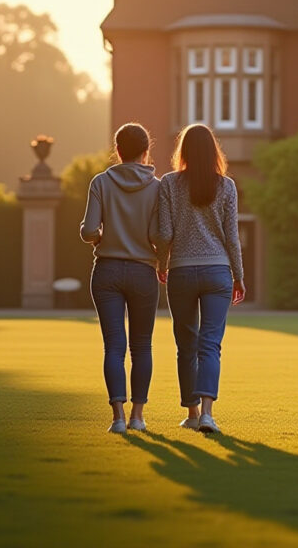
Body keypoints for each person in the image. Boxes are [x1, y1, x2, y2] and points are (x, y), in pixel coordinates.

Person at [155, 123, 245, 434]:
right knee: (211, 344)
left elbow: (164, 233)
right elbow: (232, 238)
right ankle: (207, 414)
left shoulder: (168, 184)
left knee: (186, 345)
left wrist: (161, 263)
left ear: (184, 151)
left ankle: (192, 413)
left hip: (180, 270)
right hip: (217, 271)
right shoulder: (227, 187)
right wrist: (239, 276)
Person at [80, 122, 162, 434]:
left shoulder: (100, 182)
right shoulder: (156, 187)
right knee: (142, 346)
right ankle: (138, 417)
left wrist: (99, 234)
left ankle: (117, 418)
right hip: (143, 272)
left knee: (113, 345)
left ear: (117, 151)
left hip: (107, 272)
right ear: (145, 152)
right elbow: (157, 234)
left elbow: (89, 231)